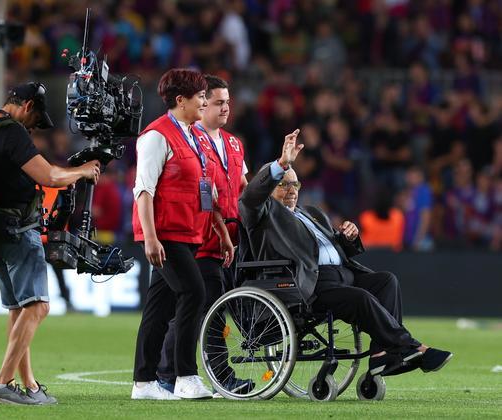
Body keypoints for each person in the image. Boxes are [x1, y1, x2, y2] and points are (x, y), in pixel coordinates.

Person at [239, 129, 453, 378]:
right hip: (308, 284)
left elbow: (334, 248)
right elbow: (250, 199)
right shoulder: (263, 215)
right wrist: (283, 163)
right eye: (282, 184)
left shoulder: (312, 213)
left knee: (386, 281)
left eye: (294, 183)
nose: (291, 190)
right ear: (270, 188)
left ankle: (380, 356)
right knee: (360, 298)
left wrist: (347, 237)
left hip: (342, 273)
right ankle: (410, 347)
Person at [0, 82, 100, 405]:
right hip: (18, 228)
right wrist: (82, 171)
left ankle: (28, 385)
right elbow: (50, 177)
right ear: (28, 106)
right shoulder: (12, 131)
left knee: (19, 309)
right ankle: (3, 384)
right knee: (39, 306)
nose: (33, 130)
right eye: (35, 120)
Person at [131, 68, 234, 400]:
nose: (205, 102)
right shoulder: (156, 136)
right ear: (180, 100)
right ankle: (185, 377)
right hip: (166, 233)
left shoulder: (192, 135)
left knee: (159, 309)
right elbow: (143, 190)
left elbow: (203, 189)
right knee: (193, 292)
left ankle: (144, 383)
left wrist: (218, 229)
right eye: (201, 96)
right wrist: (149, 236)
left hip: (189, 232)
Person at [157, 75, 249, 394]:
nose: (225, 107)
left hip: (228, 244)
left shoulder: (234, 144)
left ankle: (168, 373)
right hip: (201, 241)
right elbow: (204, 193)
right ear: (203, 102)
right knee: (202, 309)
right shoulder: (191, 140)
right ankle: (178, 374)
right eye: (218, 101)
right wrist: (219, 229)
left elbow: (243, 191)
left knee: (204, 310)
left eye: (228, 101)